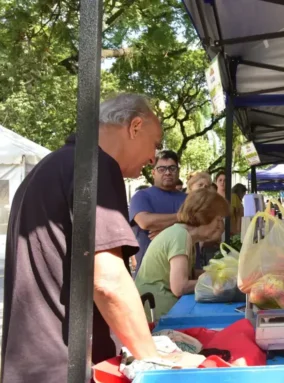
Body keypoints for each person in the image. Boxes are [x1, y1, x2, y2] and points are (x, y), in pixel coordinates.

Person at [2, 93, 168, 381]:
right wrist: (155, 360)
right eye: (155, 145)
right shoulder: (96, 167)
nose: (153, 157)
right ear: (135, 126)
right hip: (65, 367)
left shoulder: (53, 165)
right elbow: (108, 281)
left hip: (33, 364)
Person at [136, 188, 228, 320]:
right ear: (204, 216)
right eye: (218, 219)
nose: (221, 226)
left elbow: (187, 273)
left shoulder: (184, 236)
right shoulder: (180, 236)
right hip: (158, 313)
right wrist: (217, 283)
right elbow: (179, 286)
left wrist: (219, 275)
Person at [129, 150, 187, 274]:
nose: (167, 172)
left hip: (185, 275)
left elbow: (201, 225)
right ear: (153, 172)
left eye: (172, 168)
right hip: (149, 277)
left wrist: (167, 234)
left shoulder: (189, 199)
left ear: (178, 171)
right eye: (162, 169)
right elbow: (145, 222)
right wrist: (183, 217)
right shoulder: (141, 196)